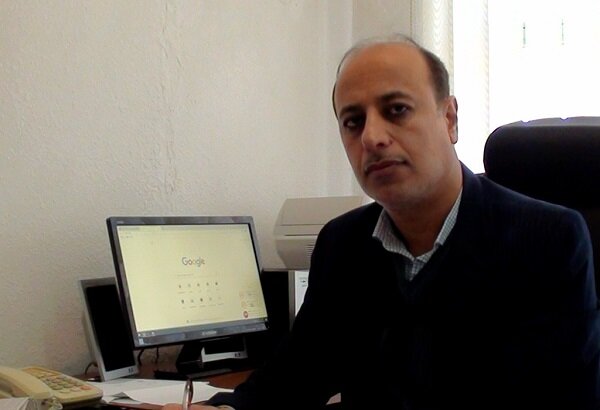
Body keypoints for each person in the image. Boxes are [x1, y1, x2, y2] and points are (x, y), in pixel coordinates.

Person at [165, 34, 600, 409]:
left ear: (449, 119)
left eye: (396, 110)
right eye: (353, 122)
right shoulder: (343, 243)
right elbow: (292, 381)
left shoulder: (547, 240)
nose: (371, 137)